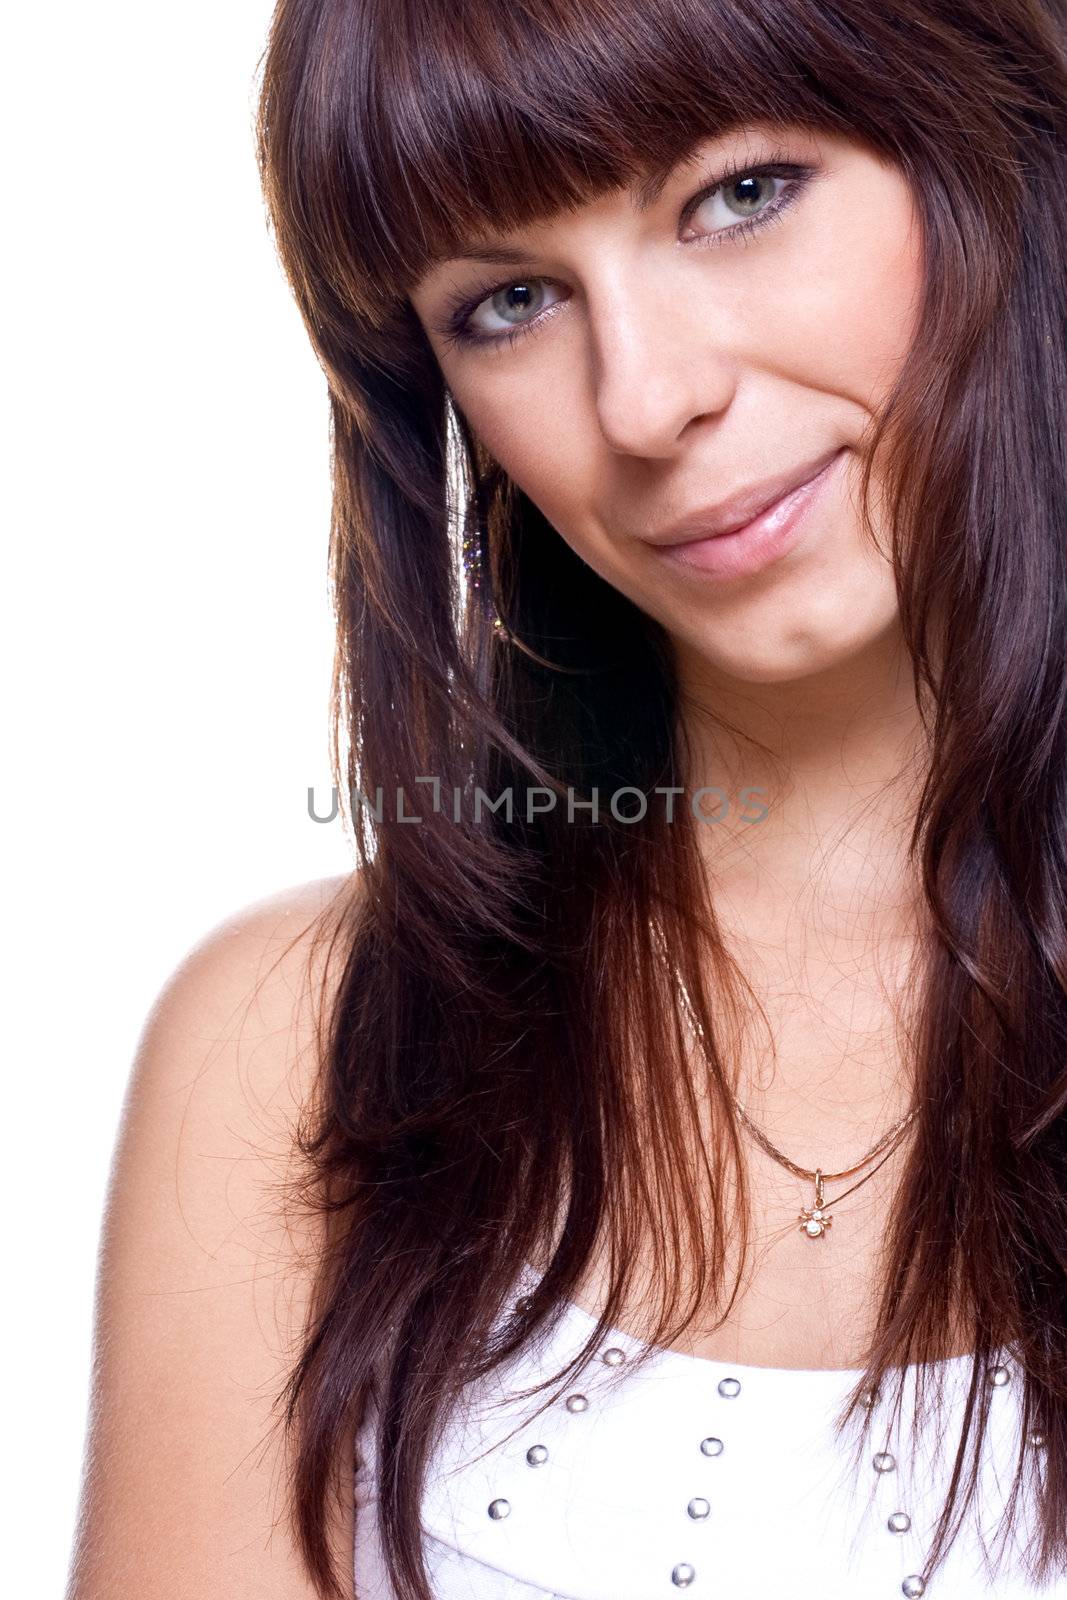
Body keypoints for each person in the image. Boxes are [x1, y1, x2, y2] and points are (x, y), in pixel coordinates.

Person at [65, 1, 1067, 1597]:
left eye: (740, 195)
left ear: (992, 145)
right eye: (511, 300)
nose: (646, 399)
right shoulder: (300, 1049)